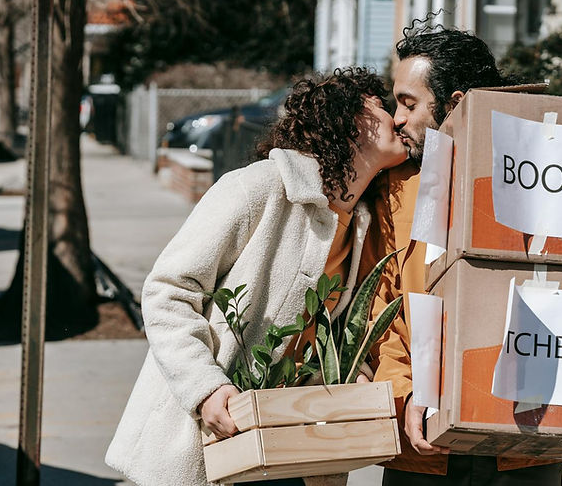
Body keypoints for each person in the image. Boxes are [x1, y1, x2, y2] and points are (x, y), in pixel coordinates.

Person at [106, 68, 408, 486]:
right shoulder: (259, 188)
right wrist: (205, 388)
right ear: (351, 119)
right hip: (209, 436)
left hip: (289, 447)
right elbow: (168, 290)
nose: (399, 117)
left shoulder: (363, 223)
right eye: (384, 106)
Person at [371, 27, 562, 486]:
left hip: (527, 443)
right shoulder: (396, 192)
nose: (396, 118)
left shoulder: (550, 174)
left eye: (409, 103)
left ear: (451, 104)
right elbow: (382, 309)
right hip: (424, 448)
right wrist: (404, 392)